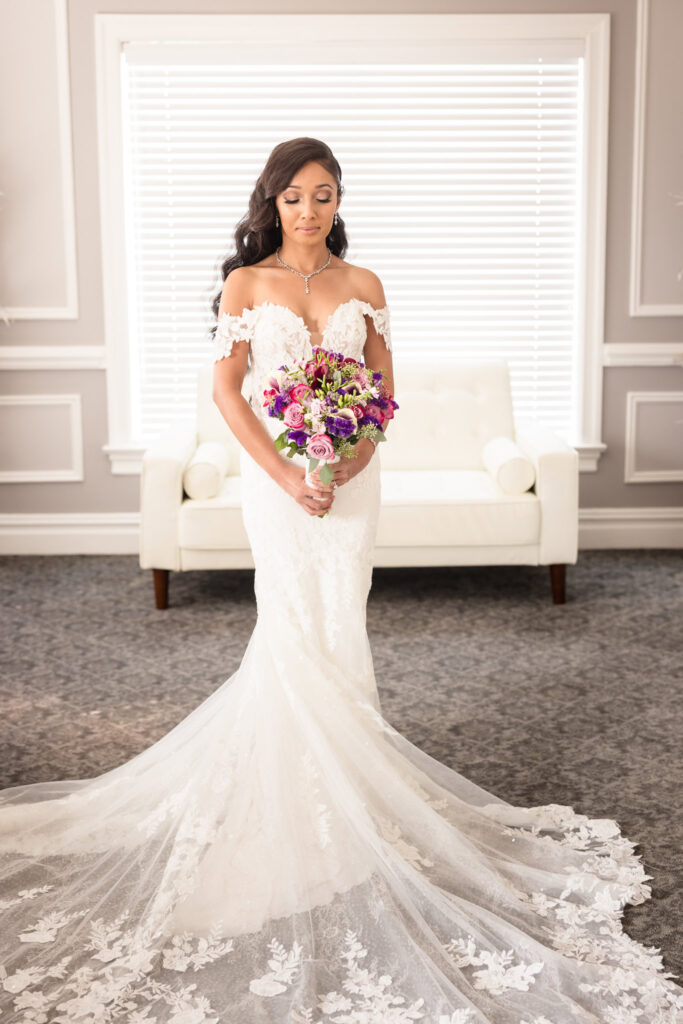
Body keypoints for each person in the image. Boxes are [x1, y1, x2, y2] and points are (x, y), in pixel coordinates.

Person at [0, 137, 681, 1024]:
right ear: (271, 203)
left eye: (323, 196)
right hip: (278, 487)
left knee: (340, 618)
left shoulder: (366, 284)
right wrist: (289, 475)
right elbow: (230, 397)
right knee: (289, 626)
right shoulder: (247, 288)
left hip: (354, 485)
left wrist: (352, 454)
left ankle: (356, 795)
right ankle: (290, 803)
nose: (309, 211)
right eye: (293, 197)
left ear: (338, 202)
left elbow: (381, 391)